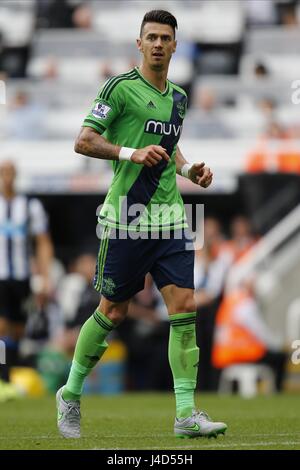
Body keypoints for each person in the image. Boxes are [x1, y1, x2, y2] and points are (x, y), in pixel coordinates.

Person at [56, 10, 227, 439]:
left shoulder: (180, 97)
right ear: (139, 43)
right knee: (113, 311)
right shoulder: (119, 88)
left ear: (174, 45)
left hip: (170, 218)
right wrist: (130, 153)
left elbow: (171, 150)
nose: (156, 44)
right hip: (126, 218)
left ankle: (186, 414)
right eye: (150, 36)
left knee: (184, 308)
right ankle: (71, 393)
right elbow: (83, 140)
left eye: (164, 38)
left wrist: (191, 173)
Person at [0, 160, 53, 399]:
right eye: (4, 173)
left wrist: (44, 277)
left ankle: (8, 375)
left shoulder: (30, 206)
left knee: (18, 330)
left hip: (21, 278)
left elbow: (43, 242)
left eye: (11, 173)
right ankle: (3, 380)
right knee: (2, 326)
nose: (7, 177)